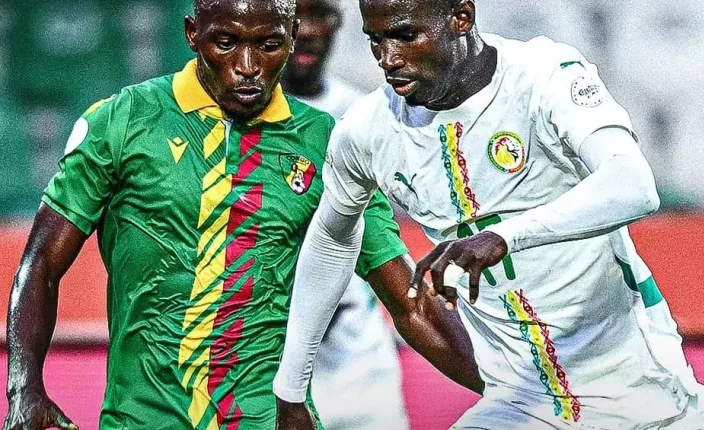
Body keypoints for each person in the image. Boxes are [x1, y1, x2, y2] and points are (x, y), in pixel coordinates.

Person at [3, 0, 482, 429]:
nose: (247, 67)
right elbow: (41, 263)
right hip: (141, 417)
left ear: (291, 37)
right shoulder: (123, 121)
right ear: (192, 34)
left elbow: (410, 302)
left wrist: (506, 389)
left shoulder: (328, 145)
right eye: (226, 43)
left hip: (266, 418)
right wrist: (24, 388)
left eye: (268, 45)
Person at [272, 0, 704, 428]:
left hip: (641, 392)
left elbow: (633, 185)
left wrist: (505, 237)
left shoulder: (542, 76)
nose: (388, 58)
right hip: (521, 402)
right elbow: (330, 241)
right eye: (375, 40)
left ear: (461, 17)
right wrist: (290, 391)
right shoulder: (366, 130)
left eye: (405, 35)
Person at [280, 1, 409, 429]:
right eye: (296, 15)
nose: (308, 31)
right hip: (266, 360)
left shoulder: (364, 114)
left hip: (359, 365)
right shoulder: (232, 120)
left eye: (322, 15)